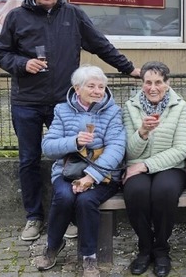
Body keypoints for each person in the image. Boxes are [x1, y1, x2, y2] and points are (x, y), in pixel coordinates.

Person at [0, 0, 139, 242]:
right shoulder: (16, 17)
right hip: (27, 102)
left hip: (65, 102)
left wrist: (129, 68)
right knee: (29, 160)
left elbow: (100, 44)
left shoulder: (74, 15)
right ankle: (34, 217)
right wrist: (23, 64)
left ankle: (70, 215)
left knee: (76, 154)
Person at [36, 65, 125, 276]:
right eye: (91, 86)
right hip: (68, 171)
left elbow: (117, 147)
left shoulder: (113, 111)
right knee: (65, 196)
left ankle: (89, 257)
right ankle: (53, 246)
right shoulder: (62, 110)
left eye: (101, 86)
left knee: (86, 201)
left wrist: (91, 177)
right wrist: (74, 141)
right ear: (77, 88)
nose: (97, 91)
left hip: (102, 174)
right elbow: (48, 147)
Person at [122, 61, 186, 277]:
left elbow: (181, 149)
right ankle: (145, 248)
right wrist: (142, 132)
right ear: (142, 83)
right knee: (136, 192)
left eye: (158, 82)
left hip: (170, 166)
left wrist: (146, 165)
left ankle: (161, 249)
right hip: (136, 164)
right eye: (148, 82)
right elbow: (130, 153)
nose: (153, 87)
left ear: (167, 83)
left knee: (164, 192)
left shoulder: (180, 106)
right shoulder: (130, 106)